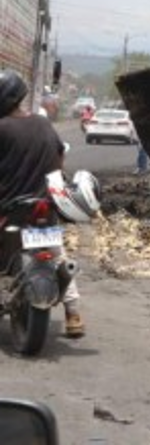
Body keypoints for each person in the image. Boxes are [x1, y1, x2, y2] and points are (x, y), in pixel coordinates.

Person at [0, 71, 85, 338]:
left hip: (9, 210)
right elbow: (60, 157)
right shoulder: (43, 123)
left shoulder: (1, 127)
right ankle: (73, 315)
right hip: (43, 207)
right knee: (59, 256)